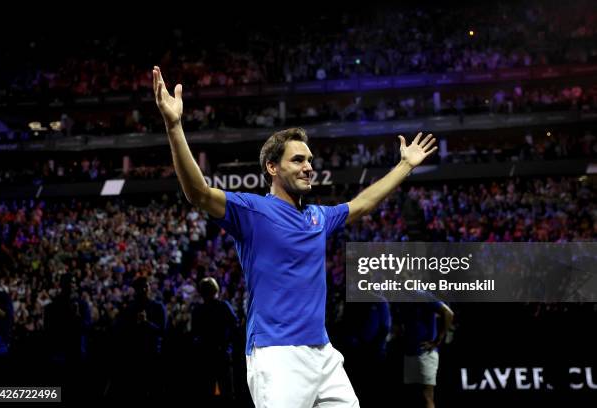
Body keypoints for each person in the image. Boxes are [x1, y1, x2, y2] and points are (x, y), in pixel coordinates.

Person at [153, 65, 437, 408]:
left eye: (310, 160)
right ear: (273, 168)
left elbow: (362, 203)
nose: (308, 166)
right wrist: (174, 126)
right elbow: (198, 192)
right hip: (277, 354)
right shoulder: (252, 211)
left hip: (324, 354)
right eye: (298, 159)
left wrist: (405, 165)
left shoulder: (319, 216)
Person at [191, 276, 239, 404]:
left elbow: (194, 333)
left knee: (207, 391)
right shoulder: (223, 306)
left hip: (205, 354)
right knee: (227, 390)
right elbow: (235, 326)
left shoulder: (197, 310)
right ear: (215, 289)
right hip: (222, 353)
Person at [397, 301, 454, 408]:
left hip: (425, 353)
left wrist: (437, 340)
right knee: (414, 396)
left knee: (426, 396)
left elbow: (448, 313)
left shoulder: (422, 295)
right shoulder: (403, 298)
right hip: (410, 352)